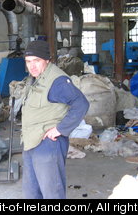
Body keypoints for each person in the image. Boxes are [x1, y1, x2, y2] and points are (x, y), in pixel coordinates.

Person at [20, 40, 89, 199]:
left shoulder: (57, 81)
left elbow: (81, 104)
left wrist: (60, 129)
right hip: (31, 142)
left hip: (48, 145)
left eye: (37, 61)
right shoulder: (36, 78)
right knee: (31, 192)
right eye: (28, 62)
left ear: (47, 60)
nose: (32, 66)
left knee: (52, 193)